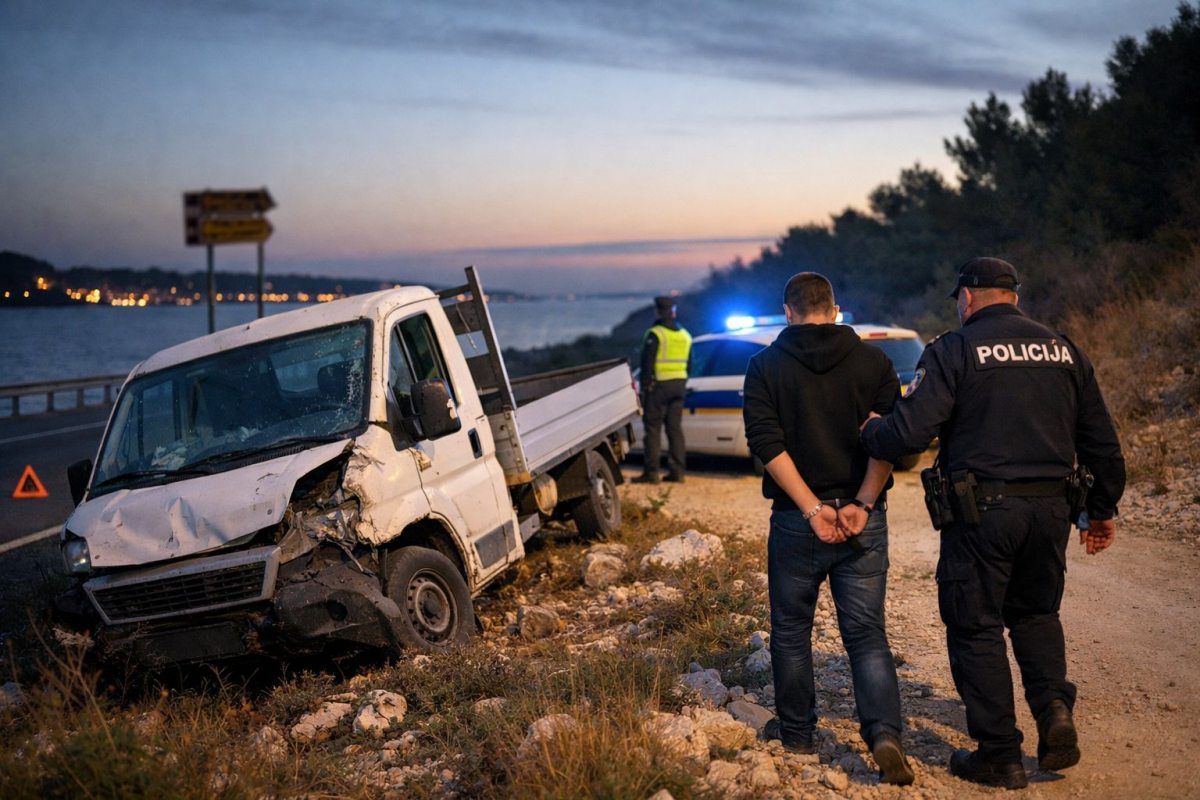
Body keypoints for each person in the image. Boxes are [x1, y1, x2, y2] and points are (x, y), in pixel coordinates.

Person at [860, 257, 1125, 789]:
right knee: (1035, 615)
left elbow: (910, 435)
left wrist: (870, 431)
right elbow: (1102, 443)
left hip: (983, 514)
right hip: (1051, 511)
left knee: (976, 625)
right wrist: (1100, 509)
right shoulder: (1063, 349)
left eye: (958, 298)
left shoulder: (955, 350)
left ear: (968, 296)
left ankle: (1000, 755)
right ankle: (1053, 712)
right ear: (1015, 296)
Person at [743, 272, 915, 786]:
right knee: (865, 635)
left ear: (787, 312)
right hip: (865, 519)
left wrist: (812, 508)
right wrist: (861, 502)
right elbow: (889, 438)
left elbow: (766, 443)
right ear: (835, 310)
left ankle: (797, 734)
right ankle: (884, 733)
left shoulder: (764, 366)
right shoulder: (875, 362)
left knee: (792, 633)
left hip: (798, 524)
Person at [635, 295, 692, 484]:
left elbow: (647, 363)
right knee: (675, 429)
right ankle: (678, 472)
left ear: (658, 311)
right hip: (679, 386)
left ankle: (651, 473)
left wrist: (644, 388)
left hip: (658, 386)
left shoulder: (656, 334)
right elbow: (690, 364)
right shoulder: (685, 335)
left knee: (652, 429)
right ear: (673, 312)